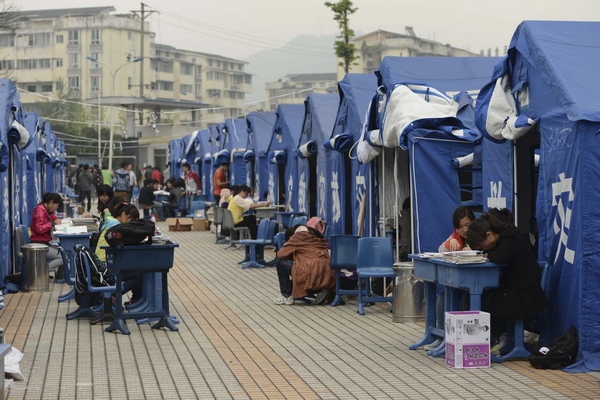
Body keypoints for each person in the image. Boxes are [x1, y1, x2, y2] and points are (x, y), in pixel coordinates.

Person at [467, 208, 548, 355]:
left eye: (483, 246)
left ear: (489, 234)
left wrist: (487, 254)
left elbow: (499, 257)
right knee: (472, 299)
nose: (484, 249)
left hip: (525, 292)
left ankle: (499, 336)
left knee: (485, 302)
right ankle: (495, 336)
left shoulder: (510, 236)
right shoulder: (505, 237)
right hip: (515, 288)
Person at [427, 206, 476, 351]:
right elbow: (441, 250)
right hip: (461, 282)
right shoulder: (456, 236)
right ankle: (442, 337)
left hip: (477, 282)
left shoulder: (480, 233)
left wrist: (473, 251)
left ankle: (465, 340)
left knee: (464, 300)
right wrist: (450, 243)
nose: (465, 230)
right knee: (442, 297)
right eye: (460, 227)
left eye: (468, 225)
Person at [94, 203, 143, 304]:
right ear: (124, 215)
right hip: (105, 266)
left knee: (136, 270)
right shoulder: (116, 226)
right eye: (132, 220)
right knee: (139, 275)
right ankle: (116, 293)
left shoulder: (111, 222)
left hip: (100, 263)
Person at [274, 225, 335, 305]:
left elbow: (280, 255)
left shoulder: (298, 239)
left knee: (280, 262)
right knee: (304, 272)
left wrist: (290, 242)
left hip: (309, 273)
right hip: (327, 274)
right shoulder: (319, 239)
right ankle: (321, 290)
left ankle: (287, 296)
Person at [29, 193, 64, 273]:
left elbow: (54, 218)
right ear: (51, 202)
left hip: (45, 242)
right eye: (56, 206)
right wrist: (52, 223)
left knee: (64, 251)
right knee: (62, 257)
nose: (55, 209)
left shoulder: (46, 211)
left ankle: (59, 276)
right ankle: (42, 272)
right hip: (39, 244)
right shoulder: (40, 211)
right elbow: (39, 229)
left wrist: (57, 221)